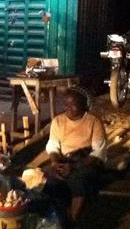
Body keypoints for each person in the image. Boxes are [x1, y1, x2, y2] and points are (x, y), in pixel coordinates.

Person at [44, 87, 107, 225]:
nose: (68, 108)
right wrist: (55, 163)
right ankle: (57, 216)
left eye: (73, 104)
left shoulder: (93, 122)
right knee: (47, 177)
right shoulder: (58, 121)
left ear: (83, 104)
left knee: (78, 178)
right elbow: (53, 146)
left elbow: (98, 152)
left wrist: (73, 167)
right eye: (66, 104)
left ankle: (72, 219)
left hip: (86, 161)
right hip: (65, 160)